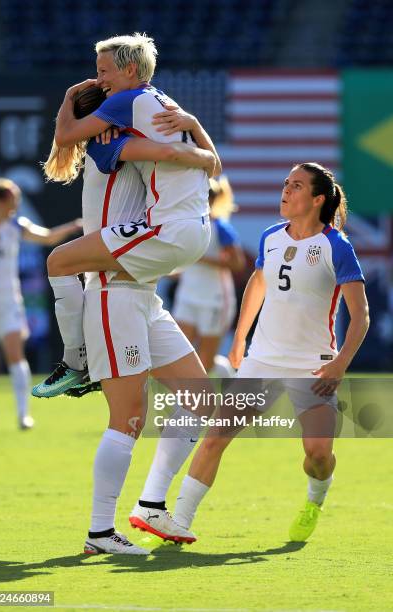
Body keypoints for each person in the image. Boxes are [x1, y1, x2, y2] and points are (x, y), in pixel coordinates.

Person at [33, 81, 219, 554]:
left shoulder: (118, 142)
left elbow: (70, 133)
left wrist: (193, 128)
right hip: (115, 291)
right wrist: (195, 148)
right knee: (128, 418)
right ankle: (99, 532)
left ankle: (151, 505)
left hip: (143, 293)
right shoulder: (112, 145)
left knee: (199, 400)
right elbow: (189, 160)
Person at [172, 162, 370, 543]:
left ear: (317, 199)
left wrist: (341, 363)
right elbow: (257, 285)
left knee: (317, 456)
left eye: (296, 186)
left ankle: (315, 499)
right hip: (261, 361)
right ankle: (177, 524)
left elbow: (360, 313)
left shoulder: (336, 246)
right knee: (215, 438)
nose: (285, 190)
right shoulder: (270, 237)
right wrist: (240, 337)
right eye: (285, 183)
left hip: (313, 367)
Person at [32, 31, 221, 397]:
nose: (100, 81)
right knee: (197, 403)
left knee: (59, 262)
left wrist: (71, 96)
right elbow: (214, 165)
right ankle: (81, 361)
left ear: (130, 70)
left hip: (160, 239)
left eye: (104, 72)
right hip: (191, 233)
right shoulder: (161, 104)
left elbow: (67, 135)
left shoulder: (125, 107)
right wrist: (196, 128)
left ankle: (76, 361)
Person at [0, 178, 80, 430]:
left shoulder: (16, 225)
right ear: (3, 200)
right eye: (14, 196)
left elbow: (47, 238)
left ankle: (23, 415)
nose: (18, 201)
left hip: (8, 300)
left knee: (16, 356)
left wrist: (73, 226)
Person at [173, 175, 245, 372]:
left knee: (206, 361)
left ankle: (228, 377)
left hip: (215, 301)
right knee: (179, 354)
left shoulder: (221, 228)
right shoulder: (185, 225)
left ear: (211, 200)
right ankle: (184, 403)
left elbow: (238, 263)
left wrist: (200, 259)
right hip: (187, 297)